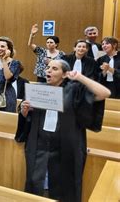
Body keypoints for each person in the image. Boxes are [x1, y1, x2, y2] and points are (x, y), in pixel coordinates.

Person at [16, 60, 110, 201]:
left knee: (64, 187)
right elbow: (27, 118)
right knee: (36, 184)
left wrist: (79, 77)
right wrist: (24, 110)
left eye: (54, 69)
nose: (49, 71)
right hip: (39, 147)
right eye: (48, 68)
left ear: (64, 74)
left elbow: (105, 92)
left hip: (65, 149)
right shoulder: (38, 90)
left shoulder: (74, 90)